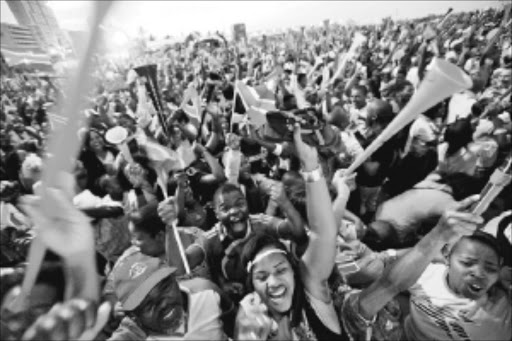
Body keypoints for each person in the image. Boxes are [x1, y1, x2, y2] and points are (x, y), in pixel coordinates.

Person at [234, 123, 352, 340]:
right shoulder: (252, 328)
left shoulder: (312, 294)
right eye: (261, 276)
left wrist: (310, 165)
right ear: (252, 287)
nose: (274, 283)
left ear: (294, 271)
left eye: (280, 270)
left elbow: (323, 233)